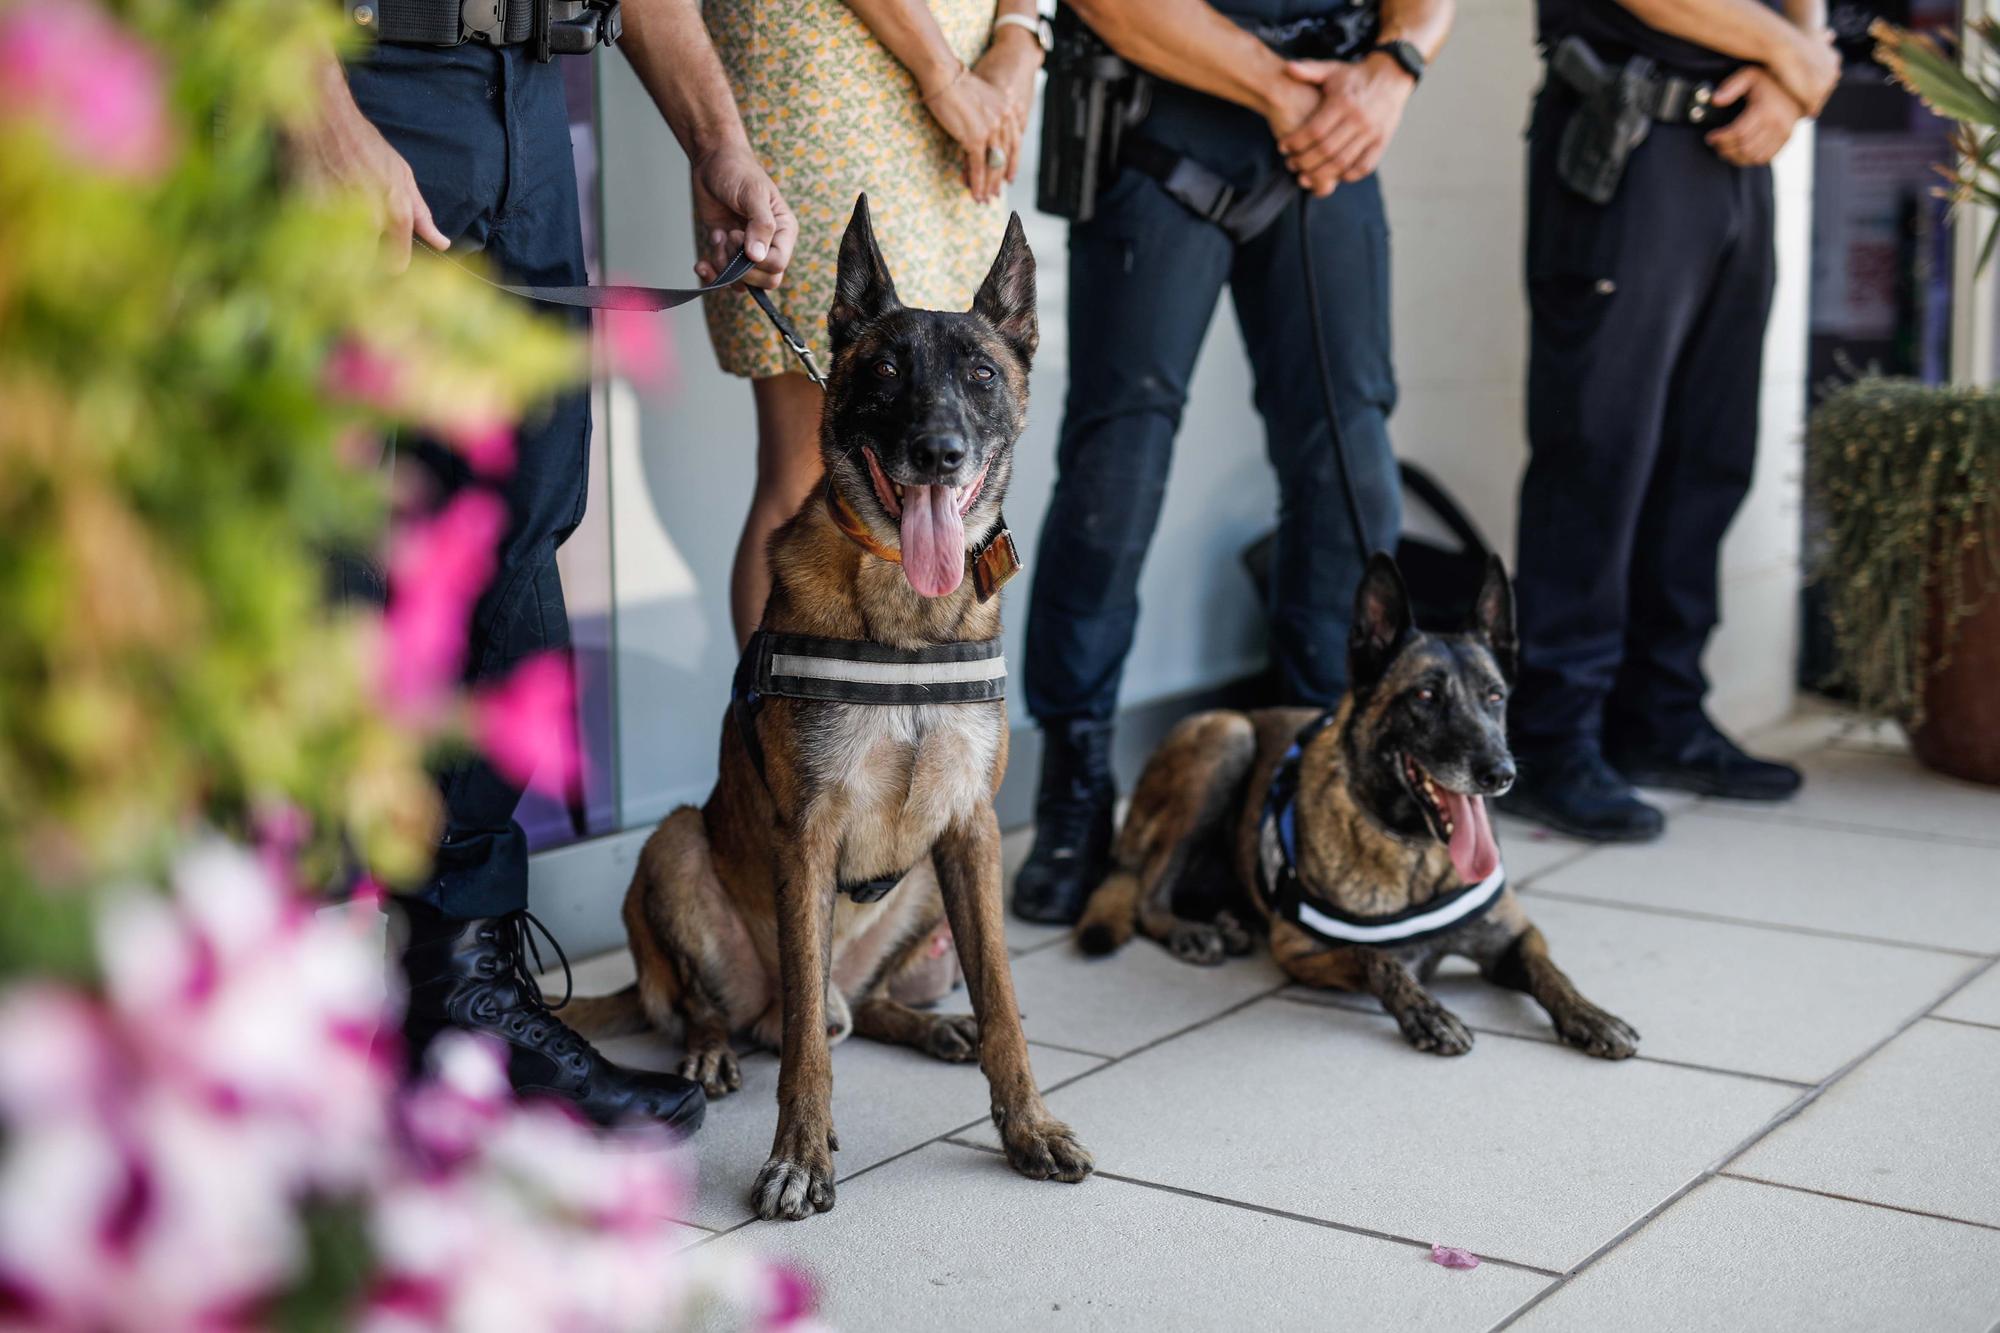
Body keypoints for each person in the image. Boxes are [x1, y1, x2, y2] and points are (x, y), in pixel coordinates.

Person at [299, 0, 796, 1129]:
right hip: (344, 79)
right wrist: (316, 113)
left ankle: (460, 995)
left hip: (522, 97)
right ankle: (279, 1020)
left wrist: (717, 143)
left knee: (512, 543)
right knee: (315, 562)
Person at [1011, 0, 1452, 925]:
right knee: (1113, 475)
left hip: (1331, 134)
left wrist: (1395, 68)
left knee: (1351, 473)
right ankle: (1076, 788)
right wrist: (1280, 89)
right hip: (1158, 124)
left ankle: (1310, 777)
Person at [1496, 0, 1834, 842]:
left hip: (1735, 147)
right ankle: (1553, 734)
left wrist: (1795, 76)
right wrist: (1798, 56)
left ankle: (1662, 713)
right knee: (1597, 449)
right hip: (1624, 131)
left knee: (1708, 454)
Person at [700, 0, 1047, 645]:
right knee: (806, 465)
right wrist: (939, 73)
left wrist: (1021, 35)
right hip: (828, 76)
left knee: (962, 405)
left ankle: (929, 726)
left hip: (966, 95)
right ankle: (778, 721)